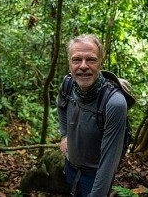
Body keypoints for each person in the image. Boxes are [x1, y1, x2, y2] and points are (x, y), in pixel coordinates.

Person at [57, 34, 128, 197]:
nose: (83, 66)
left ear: (101, 63)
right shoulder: (67, 85)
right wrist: (64, 135)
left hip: (95, 174)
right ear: (69, 64)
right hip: (70, 165)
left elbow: (109, 163)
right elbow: (60, 105)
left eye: (91, 60)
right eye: (76, 60)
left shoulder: (114, 102)